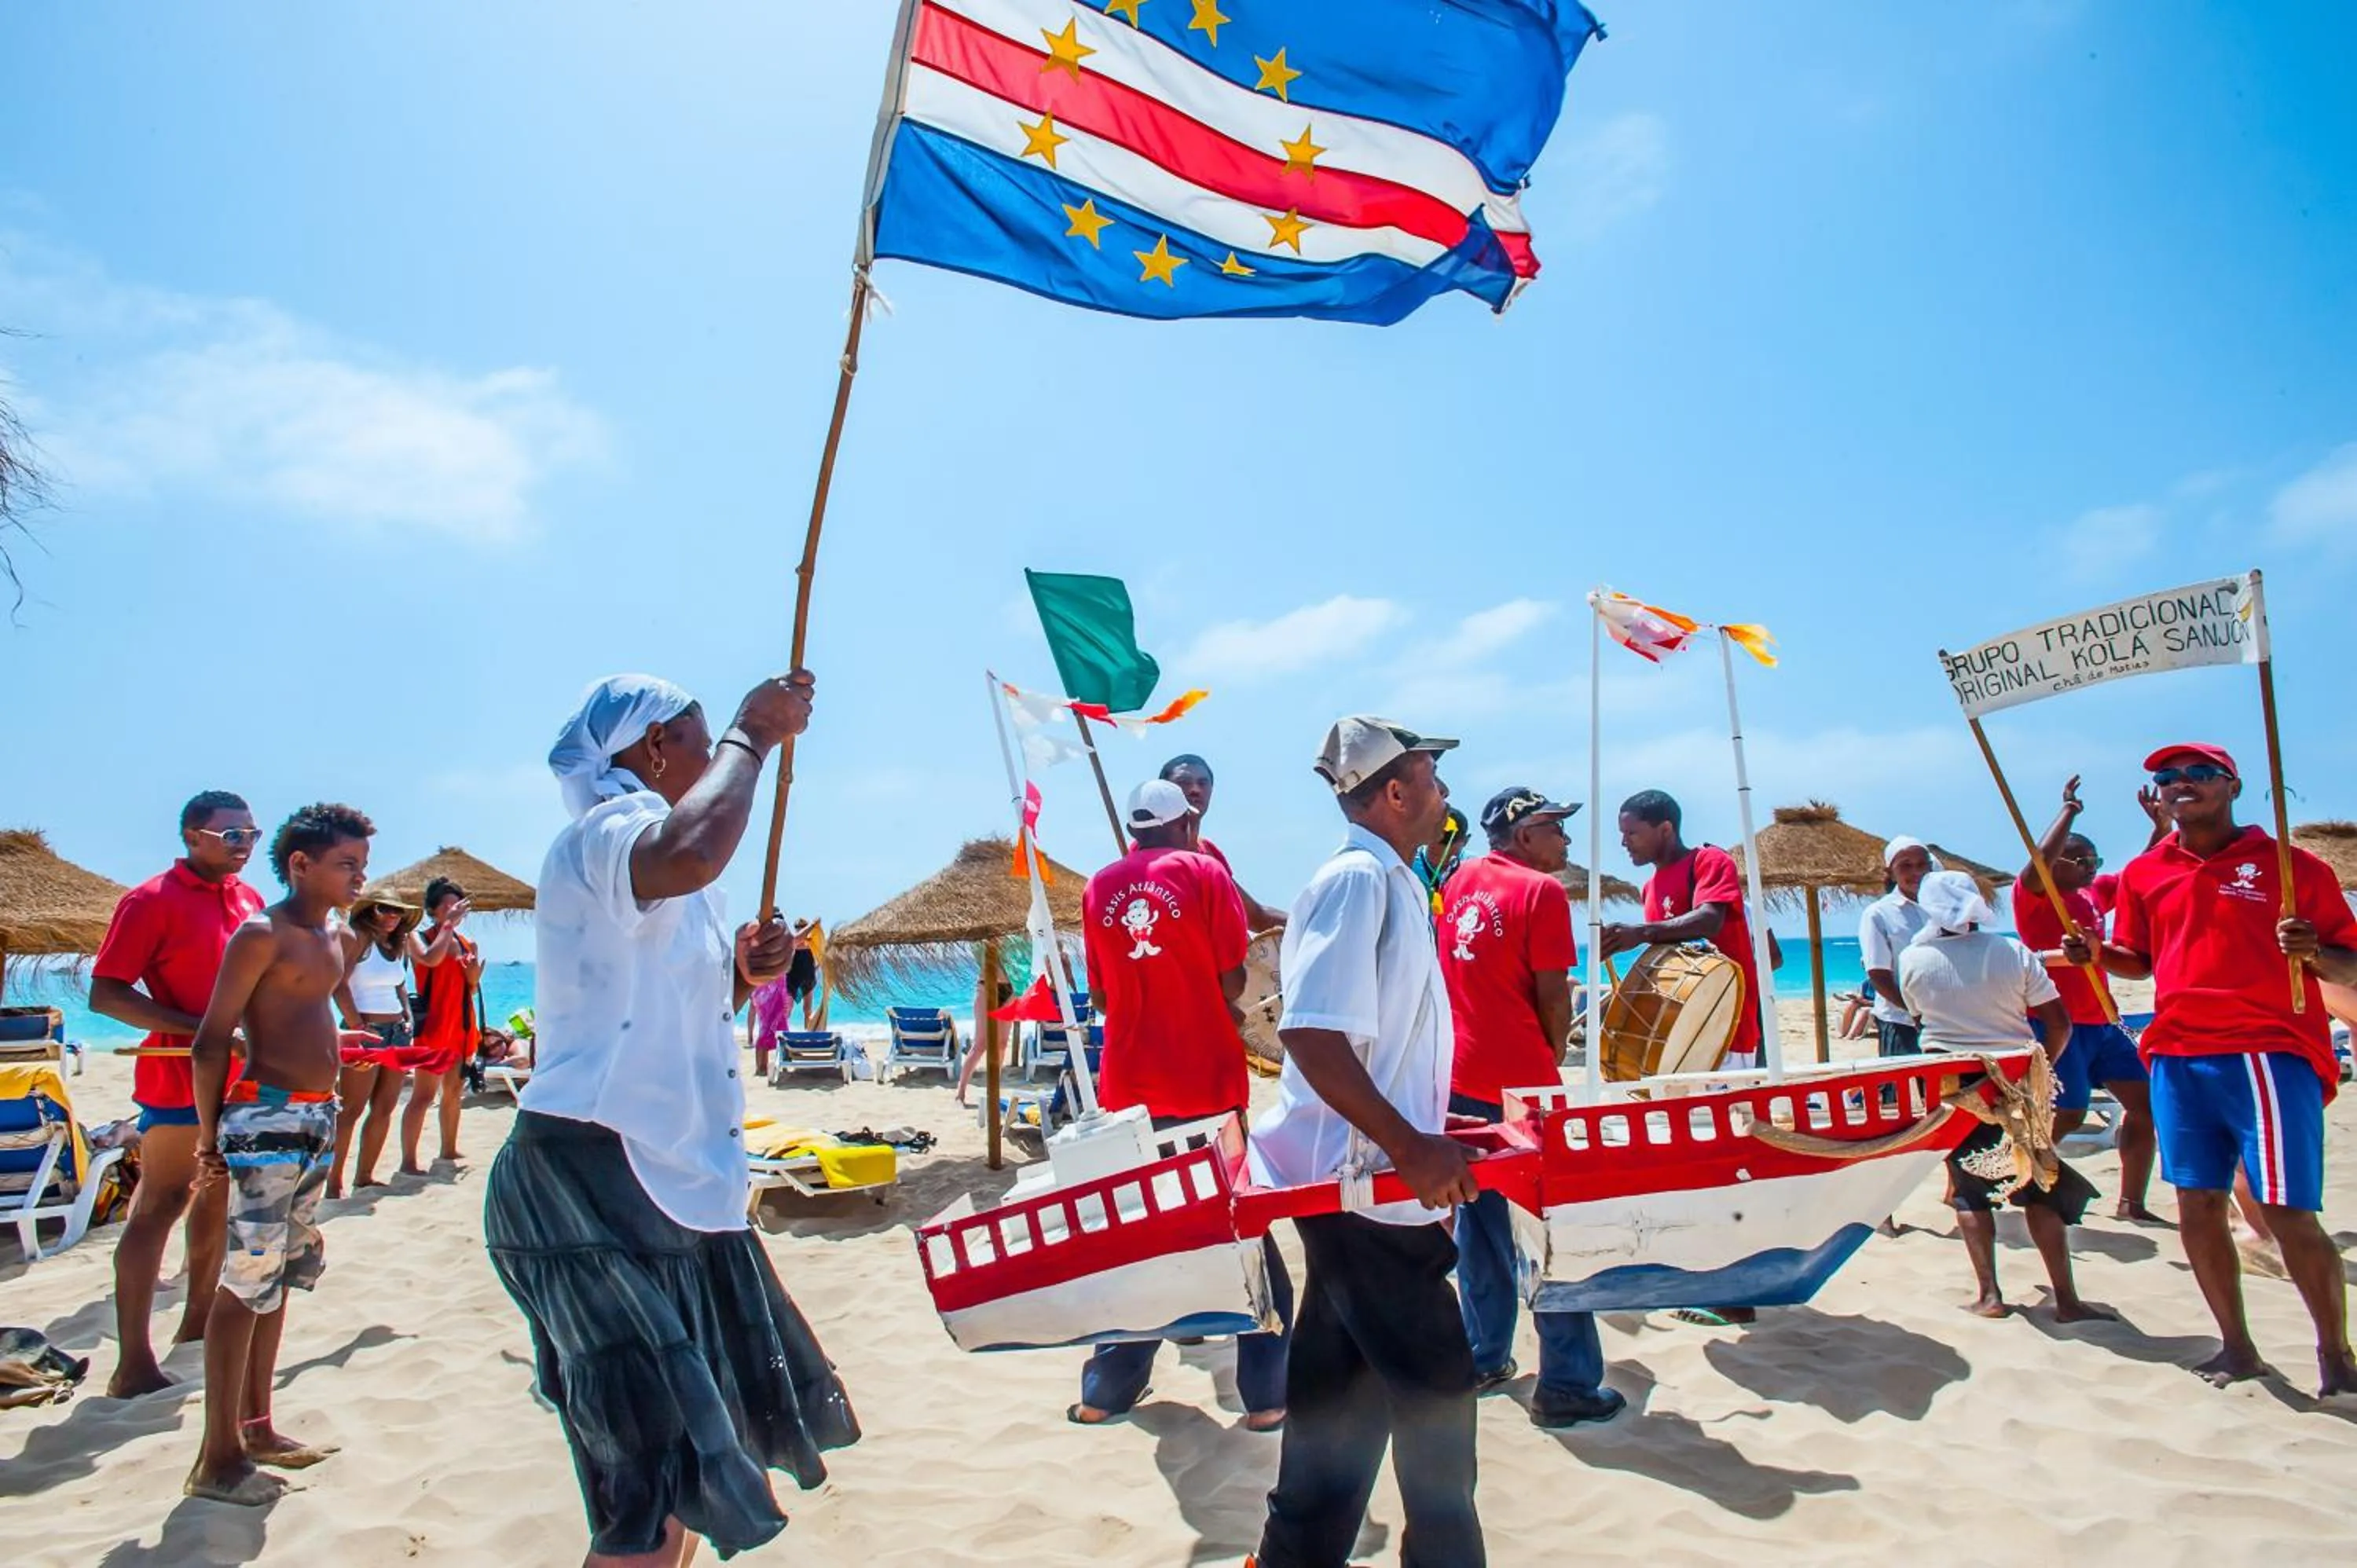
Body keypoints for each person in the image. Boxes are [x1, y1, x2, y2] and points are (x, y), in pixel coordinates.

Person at [485, 671, 857, 1566]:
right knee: (647, 1490)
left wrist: (745, 977)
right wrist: (754, 734)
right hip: (589, 1181)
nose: (708, 757)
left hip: (667, 1181)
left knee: (691, 1460)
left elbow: (670, 1015)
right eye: (695, 741)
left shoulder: (669, 875)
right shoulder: (606, 833)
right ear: (654, 750)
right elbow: (693, 850)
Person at [1246, 716, 1485, 1568]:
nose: (1445, 794)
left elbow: (1380, 1044)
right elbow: (1311, 1036)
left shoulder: (1394, 881)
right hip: (1364, 1187)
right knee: (1440, 1401)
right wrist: (1412, 1147)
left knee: (1337, 1400)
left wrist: (1431, 1128)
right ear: (1394, 790)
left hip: (1367, 1182)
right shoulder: (1359, 881)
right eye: (1434, 776)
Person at [2080, 743, 2357, 1395]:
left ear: (2230, 786)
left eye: (2198, 775)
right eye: (2166, 778)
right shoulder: (2146, 872)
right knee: (2196, 1205)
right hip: (2177, 1054)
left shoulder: (2291, 868)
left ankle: (2335, 1353)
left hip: (2266, 1050)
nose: (2181, 785)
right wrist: (2096, 952)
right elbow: (2139, 959)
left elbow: (2349, 965)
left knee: (2287, 1209)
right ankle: (2237, 1347)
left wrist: (2313, 952)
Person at [1070, 778, 1294, 1432]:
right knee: (1241, 1229)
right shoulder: (1202, 871)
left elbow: (1105, 999)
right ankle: (1269, 1395)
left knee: (1142, 1233)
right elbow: (1232, 975)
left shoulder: (1099, 885)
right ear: (1187, 821)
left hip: (1129, 1084)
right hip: (1204, 1080)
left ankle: (1106, 1392)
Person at [185, 801, 379, 1504]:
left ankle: (257, 1426)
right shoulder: (260, 933)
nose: (360, 877)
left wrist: (341, 1049)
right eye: (346, 865)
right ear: (301, 865)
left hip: (314, 1117)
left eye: (362, 864)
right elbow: (213, 1039)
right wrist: (209, 1140)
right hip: (263, 1119)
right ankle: (217, 1457)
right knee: (244, 1284)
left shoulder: (332, 937)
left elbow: (304, 1018)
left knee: (281, 1275)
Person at [1440, 787, 1624, 1428]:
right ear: (1523, 836)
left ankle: (1483, 1355)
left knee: (1481, 1233)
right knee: (1551, 1239)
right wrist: (1548, 1057)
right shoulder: (1541, 894)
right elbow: (1555, 997)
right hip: (1521, 1086)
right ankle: (1567, 1383)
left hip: (1462, 1081)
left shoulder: (1460, 881)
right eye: (1556, 828)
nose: (1566, 842)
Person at [89, 788, 266, 1398]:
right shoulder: (149, 901)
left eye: (252, 835)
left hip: (241, 1080)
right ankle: (132, 1361)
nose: (245, 846)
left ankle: (194, 1326)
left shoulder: (249, 900)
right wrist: (206, 1030)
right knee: (162, 1204)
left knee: (218, 1200)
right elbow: (106, 993)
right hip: (176, 1076)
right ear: (193, 837)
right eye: (231, 835)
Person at [1898, 870, 2110, 1322]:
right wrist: (2043, 1067)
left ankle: (1990, 1295)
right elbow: (2059, 1022)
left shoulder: (1914, 959)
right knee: (2039, 1186)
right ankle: (2066, 1299)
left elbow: (1919, 1020)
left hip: (1953, 1083)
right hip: (2014, 1082)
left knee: (1969, 1193)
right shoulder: (2012, 951)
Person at [1600, 789, 1769, 1326]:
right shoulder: (1652, 886)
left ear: (1664, 828)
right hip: (1689, 1047)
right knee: (1697, 1159)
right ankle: (1711, 1275)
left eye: (1632, 832)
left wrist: (1639, 934)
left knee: (1727, 1159)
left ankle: (1736, 1292)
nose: (1623, 842)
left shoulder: (1709, 862)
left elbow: (1710, 920)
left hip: (1729, 1037)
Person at [2014, 775, 2159, 1221]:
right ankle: (2015, 1175)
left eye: (2095, 860)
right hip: (2058, 1022)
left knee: (2146, 1106)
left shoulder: (2093, 894)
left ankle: (2131, 1203)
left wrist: (2161, 825)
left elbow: (2143, 870)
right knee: (2069, 1113)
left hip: (2104, 1022)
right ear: (2061, 862)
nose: (2092, 868)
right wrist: (2068, 811)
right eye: (2082, 860)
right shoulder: (2035, 899)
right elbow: (2036, 864)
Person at [328, 887, 425, 1196]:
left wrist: (409, 1017)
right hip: (366, 1032)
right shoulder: (358, 938)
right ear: (370, 911)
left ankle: (365, 1176)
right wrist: (356, 1025)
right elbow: (337, 984)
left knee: (384, 1106)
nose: (392, 916)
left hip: (398, 1031)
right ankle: (333, 1182)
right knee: (351, 1110)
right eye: (384, 909)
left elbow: (400, 987)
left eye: (397, 911)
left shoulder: (398, 945)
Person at [400, 877, 482, 1174]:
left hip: (461, 1024)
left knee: (453, 1093)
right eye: (446, 905)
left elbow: (471, 988)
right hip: (433, 1025)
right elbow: (430, 962)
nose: (452, 910)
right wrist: (446, 927)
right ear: (433, 909)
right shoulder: (418, 937)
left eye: (456, 905)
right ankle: (408, 1161)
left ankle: (448, 1149)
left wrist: (473, 973)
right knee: (422, 1096)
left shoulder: (466, 943)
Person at [1160, 753, 1287, 931]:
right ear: (1162, 790)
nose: (1195, 789)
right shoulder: (1145, 853)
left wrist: (1312, 920)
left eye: (1203, 783)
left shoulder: (1208, 853)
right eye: (1184, 782)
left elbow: (1256, 917)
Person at [1859, 837, 1937, 1057]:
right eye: (1906, 865)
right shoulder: (1878, 914)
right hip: (1901, 1022)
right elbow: (1879, 974)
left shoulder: (1942, 908)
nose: (1916, 872)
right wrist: (1916, 1012)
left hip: (1945, 1023)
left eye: (1922, 865)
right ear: (1891, 872)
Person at [1413, 805, 1472, 919]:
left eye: (1449, 855)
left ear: (1466, 841)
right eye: (1434, 853)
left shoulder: (1474, 868)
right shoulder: (1408, 864)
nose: (1440, 860)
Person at [787, 917, 827, 1028]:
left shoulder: (811, 943)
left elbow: (819, 957)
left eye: (801, 927)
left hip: (808, 978)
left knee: (807, 1010)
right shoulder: (793, 943)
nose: (799, 930)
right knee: (787, 1008)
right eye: (797, 928)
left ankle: (807, 1034)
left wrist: (816, 967)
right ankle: (783, 1034)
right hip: (792, 978)